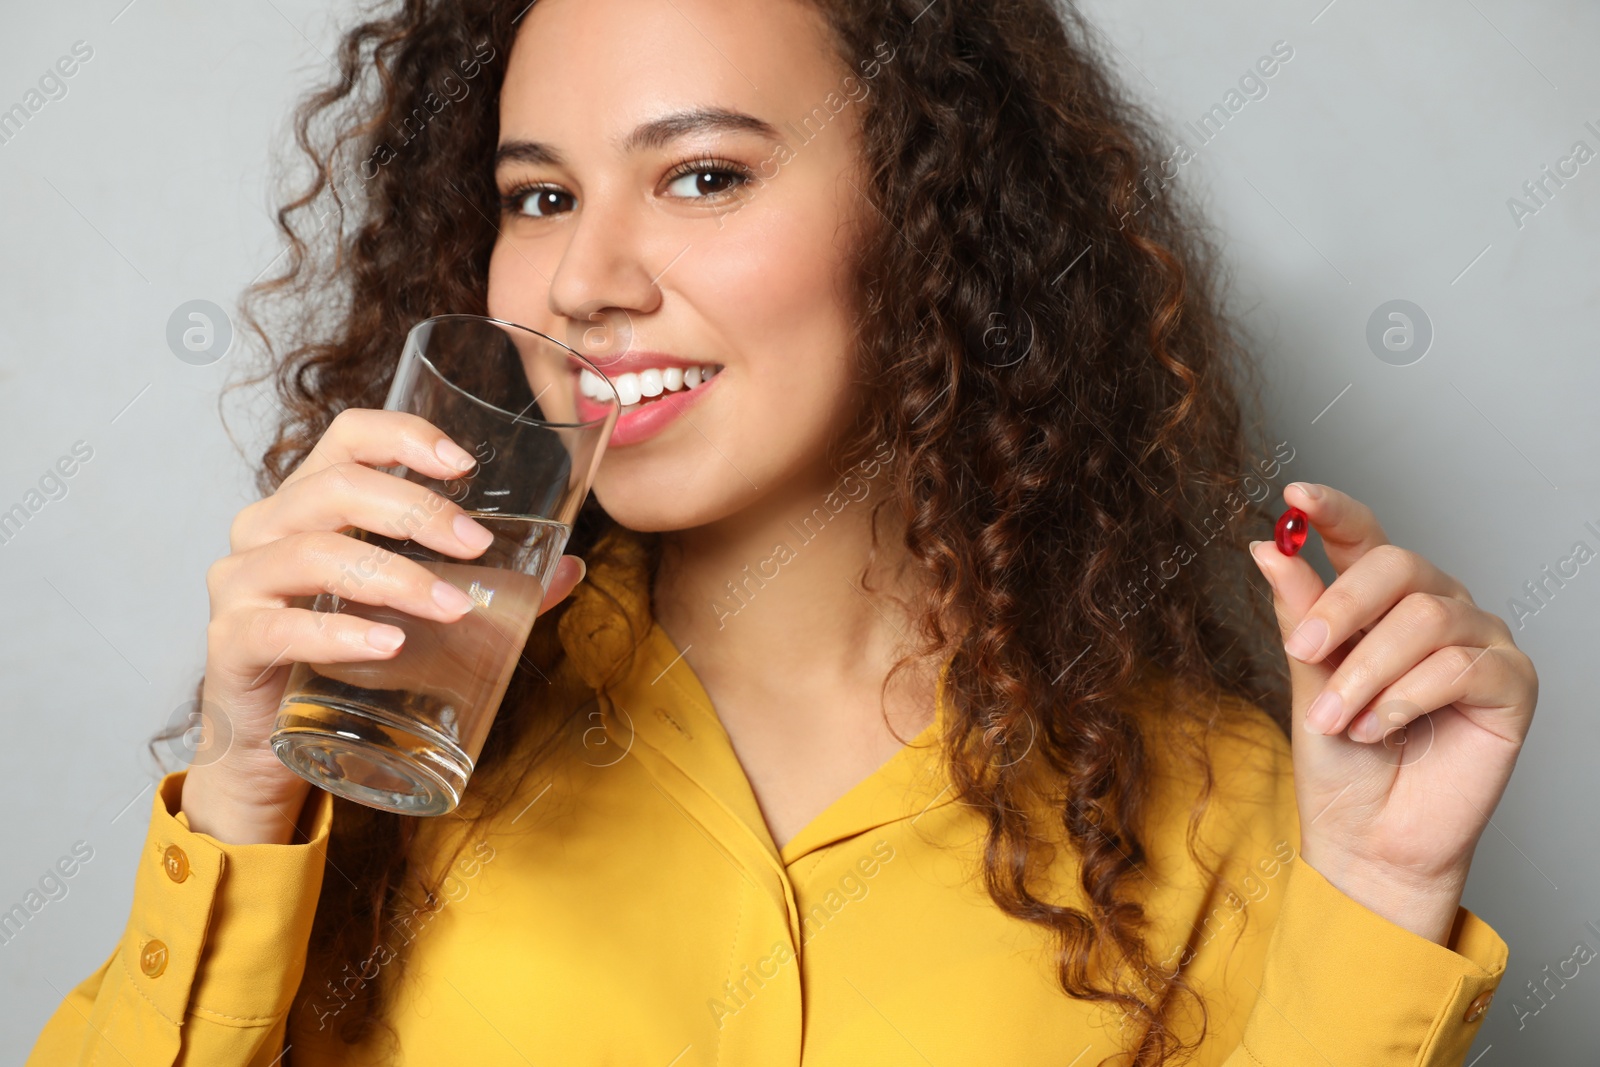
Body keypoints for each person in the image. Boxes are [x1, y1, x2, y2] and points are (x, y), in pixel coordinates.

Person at [29, 0, 1536, 1063]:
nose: (583, 280)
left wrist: (1381, 900)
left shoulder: (1230, 812)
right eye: (538, 196)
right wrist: (240, 794)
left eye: (703, 176)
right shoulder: (379, 742)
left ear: (935, 217)